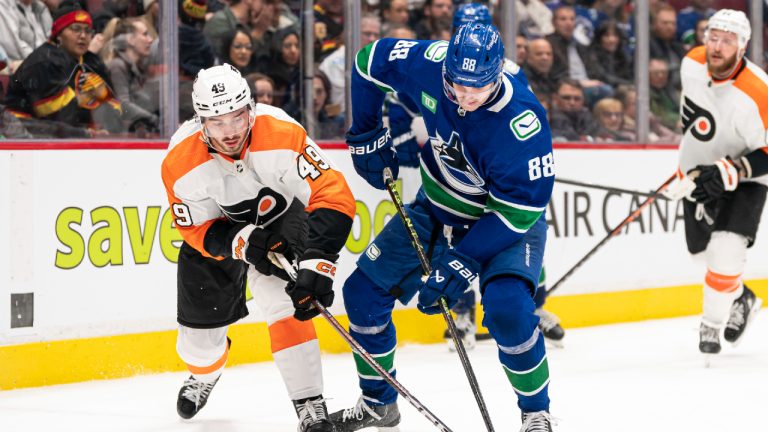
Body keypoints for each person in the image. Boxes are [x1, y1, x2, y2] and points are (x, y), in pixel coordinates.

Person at [330, 23, 556, 431]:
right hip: (437, 208)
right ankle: (379, 402)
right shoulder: (430, 64)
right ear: (446, 66)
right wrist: (365, 132)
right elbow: (368, 62)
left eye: (478, 87)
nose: (466, 96)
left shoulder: (524, 123)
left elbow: (518, 213)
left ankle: (536, 411)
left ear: (498, 75)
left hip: (502, 224)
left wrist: (463, 261)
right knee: (361, 293)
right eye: (457, 83)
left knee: (508, 310)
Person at [160, 64, 355, 431]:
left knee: (287, 302)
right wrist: (244, 242)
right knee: (198, 348)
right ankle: (206, 373)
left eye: (237, 116)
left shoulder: (282, 132)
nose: (231, 131)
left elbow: (334, 194)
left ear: (251, 107)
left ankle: (309, 402)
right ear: (200, 120)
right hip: (220, 232)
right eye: (217, 122)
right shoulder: (180, 162)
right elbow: (194, 227)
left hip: (281, 218)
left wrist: (319, 263)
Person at [668, 9, 766, 358]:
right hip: (698, 177)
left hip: (748, 180)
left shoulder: (759, 91)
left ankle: (711, 323)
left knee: (726, 251)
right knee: (701, 256)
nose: (718, 46)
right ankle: (742, 296)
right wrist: (689, 169)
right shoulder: (691, 63)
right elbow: (697, 123)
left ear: (742, 47)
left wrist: (732, 169)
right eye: (713, 37)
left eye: (728, 40)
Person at [4, 1, 123, 138]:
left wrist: (103, 98)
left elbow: (116, 113)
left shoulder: (92, 61)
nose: (83, 36)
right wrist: (90, 98)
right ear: (58, 35)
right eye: (75, 29)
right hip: (26, 139)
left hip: (81, 136)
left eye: (87, 30)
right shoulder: (43, 61)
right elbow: (58, 116)